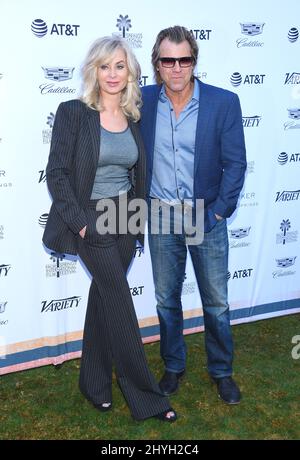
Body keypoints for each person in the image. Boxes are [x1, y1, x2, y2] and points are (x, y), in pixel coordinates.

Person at [42, 36, 177, 422]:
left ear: (130, 71)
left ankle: (94, 385)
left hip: (128, 215)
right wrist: (81, 224)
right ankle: (148, 398)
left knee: (104, 301)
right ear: (93, 71)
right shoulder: (73, 112)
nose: (112, 74)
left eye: (120, 66)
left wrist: (136, 221)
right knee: (120, 303)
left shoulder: (134, 116)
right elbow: (58, 172)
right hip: (92, 219)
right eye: (105, 66)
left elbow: (135, 172)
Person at [140, 26, 247, 404]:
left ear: (194, 61)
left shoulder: (223, 103)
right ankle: (173, 365)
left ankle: (222, 371)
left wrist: (218, 214)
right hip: (161, 215)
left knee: (216, 302)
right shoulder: (143, 101)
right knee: (166, 299)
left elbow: (236, 165)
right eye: (168, 60)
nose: (177, 67)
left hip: (205, 217)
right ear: (157, 64)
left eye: (184, 59)